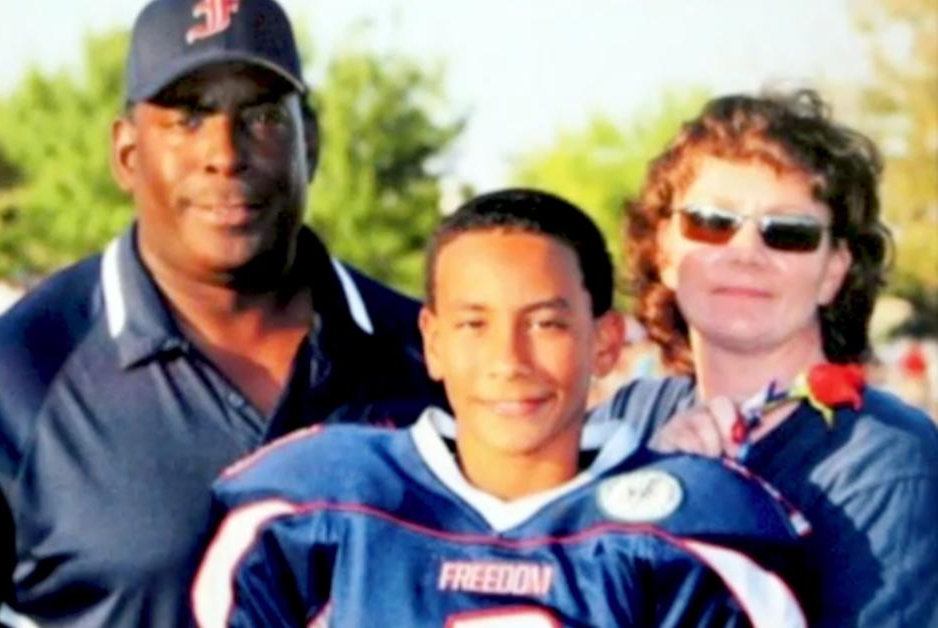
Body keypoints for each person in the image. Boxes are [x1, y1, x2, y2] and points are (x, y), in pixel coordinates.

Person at [0, 0, 443, 625]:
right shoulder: (2, 377)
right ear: (126, 154)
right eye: (187, 118)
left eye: (260, 116)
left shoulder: (435, 360)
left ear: (308, 143)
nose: (225, 154)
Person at [192, 189, 808, 627]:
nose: (509, 359)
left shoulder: (697, 530)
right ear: (431, 342)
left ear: (606, 343)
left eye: (545, 323)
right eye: (474, 324)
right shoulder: (311, 507)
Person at [592, 90, 938, 626]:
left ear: (833, 272)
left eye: (789, 233)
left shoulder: (885, 463)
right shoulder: (626, 422)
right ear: (664, 249)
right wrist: (651, 482)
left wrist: (701, 500)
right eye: (711, 222)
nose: (745, 253)